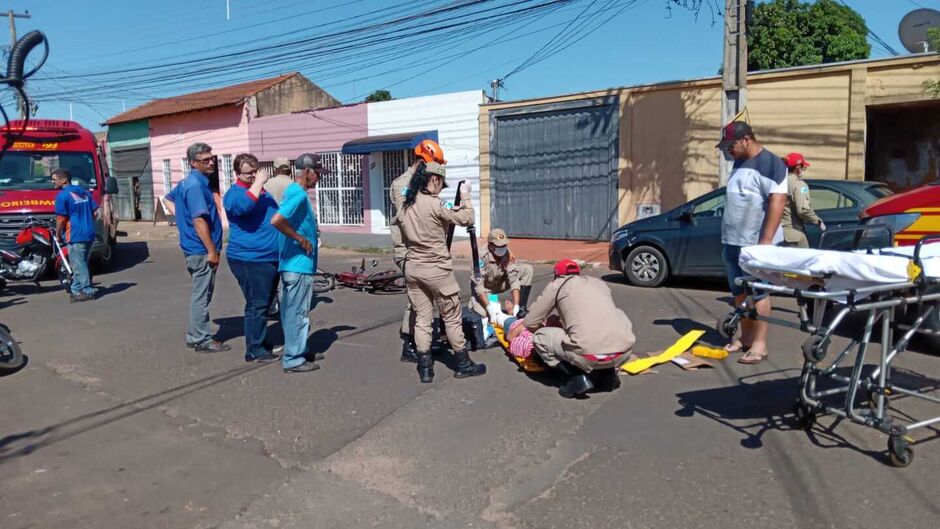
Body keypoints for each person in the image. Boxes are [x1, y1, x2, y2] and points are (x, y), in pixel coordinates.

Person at [397, 161, 485, 383]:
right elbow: (468, 218)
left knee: (422, 319)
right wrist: (465, 195)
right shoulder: (437, 205)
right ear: (433, 180)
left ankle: (425, 368)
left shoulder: (406, 203)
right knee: (452, 317)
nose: (441, 188)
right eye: (440, 184)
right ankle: (463, 363)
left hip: (413, 268)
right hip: (436, 270)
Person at [510, 259, 635, 398]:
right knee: (610, 320)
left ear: (556, 275)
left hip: (588, 354)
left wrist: (550, 324)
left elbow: (530, 322)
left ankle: (577, 377)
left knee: (540, 336)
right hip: (622, 352)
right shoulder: (598, 283)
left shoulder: (559, 284)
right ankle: (608, 374)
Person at [716, 122, 788, 365]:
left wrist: (765, 242)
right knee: (739, 292)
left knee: (758, 292)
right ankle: (745, 339)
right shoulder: (738, 163)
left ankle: (759, 344)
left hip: (755, 243)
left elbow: (778, 201)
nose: (728, 151)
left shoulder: (772, 164)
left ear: (746, 139)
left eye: (731, 145)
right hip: (733, 240)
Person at [165, 143, 229, 353]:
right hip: (200, 250)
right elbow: (200, 221)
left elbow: (168, 199)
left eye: (212, 158)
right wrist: (211, 250)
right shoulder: (195, 186)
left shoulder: (189, 183)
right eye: (205, 160)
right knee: (202, 295)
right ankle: (200, 338)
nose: (211, 163)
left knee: (201, 293)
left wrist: (181, 219)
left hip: (195, 247)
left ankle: (195, 335)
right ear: (193, 163)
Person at [390, 139, 447, 364]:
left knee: (425, 295)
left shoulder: (423, 184)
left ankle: (421, 338)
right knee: (416, 297)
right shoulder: (402, 184)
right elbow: (408, 217)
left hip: (423, 249)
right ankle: (410, 343)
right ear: (422, 161)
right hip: (408, 249)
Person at [223, 153, 281, 363]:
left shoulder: (262, 192)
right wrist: (257, 183)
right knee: (256, 304)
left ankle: (261, 341)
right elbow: (244, 207)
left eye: (256, 171)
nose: (254, 176)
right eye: (248, 173)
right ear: (238, 173)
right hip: (250, 259)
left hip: (269, 256)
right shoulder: (234, 194)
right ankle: (254, 349)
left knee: (265, 304)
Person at [270, 153, 324, 374]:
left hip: (295, 263)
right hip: (297, 264)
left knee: (293, 312)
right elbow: (277, 220)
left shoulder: (295, 192)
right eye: (318, 173)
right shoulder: (297, 194)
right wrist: (300, 239)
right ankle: (293, 359)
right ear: (308, 172)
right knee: (297, 313)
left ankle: (299, 349)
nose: (319, 178)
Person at [52, 168, 99, 302]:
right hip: (89, 232)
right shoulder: (83, 192)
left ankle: (87, 291)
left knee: (78, 264)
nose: (53, 182)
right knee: (82, 262)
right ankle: (76, 289)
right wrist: (87, 222)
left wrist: (57, 234)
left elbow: (61, 219)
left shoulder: (62, 196)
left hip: (75, 234)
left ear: (64, 180)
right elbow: (95, 213)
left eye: (55, 179)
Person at [471, 228, 534, 323]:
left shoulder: (507, 253)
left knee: (527, 269)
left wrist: (516, 304)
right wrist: (489, 308)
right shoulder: (480, 256)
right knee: (489, 315)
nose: (503, 248)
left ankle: (521, 309)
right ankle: (476, 305)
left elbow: (514, 278)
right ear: (490, 245)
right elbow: (478, 285)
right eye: (499, 246)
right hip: (485, 289)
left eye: (504, 245)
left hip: (500, 283)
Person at [781, 152, 825, 248]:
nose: (804, 171)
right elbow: (803, 210)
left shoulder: (778, 181)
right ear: (798, 168)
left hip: (777, 234)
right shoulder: (799, 185)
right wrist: (818, 221)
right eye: (804, 168)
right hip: (794, 233)